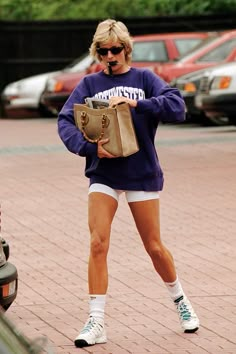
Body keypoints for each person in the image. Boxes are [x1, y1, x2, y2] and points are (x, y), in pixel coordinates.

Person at [57, 19, 200, 348]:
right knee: (97, 243)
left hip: (141, 172)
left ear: (126, 49)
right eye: (103, 51)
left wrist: (139, 103)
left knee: (154, 247)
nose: (110, 55)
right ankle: (96, 321)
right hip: (104, 172)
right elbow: (66, 120)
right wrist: (89, 147)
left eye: (115, 49)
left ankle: (181, 302)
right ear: (97, 53)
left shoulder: (145, 79)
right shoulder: (90, 84)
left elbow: (177, 107)